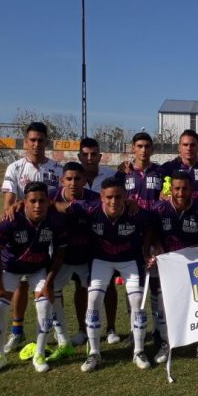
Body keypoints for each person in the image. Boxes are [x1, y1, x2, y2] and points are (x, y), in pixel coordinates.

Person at [52, 176, 155, 372]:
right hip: (102, 260)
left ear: (125, 196)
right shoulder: (89, 208)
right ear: (101, 197)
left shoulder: (136, 212)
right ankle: (94, 353)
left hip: (129, 260)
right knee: (94, 298)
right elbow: (59, 206)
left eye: (118, 197)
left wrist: (147, 247)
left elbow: (151, 223)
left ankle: (139, 351)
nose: (113, 201)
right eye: (109, 197)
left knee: (138, 300)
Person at [0, 182, 66, 375]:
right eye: (33, 201)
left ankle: (39, 353)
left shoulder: (56, 221)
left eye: (42, 201)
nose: (38, 205)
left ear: (49, 202)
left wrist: (48, 282)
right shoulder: (10, 220)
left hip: (38, 269)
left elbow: (59, 255)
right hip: (11, 270)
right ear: (25, 203)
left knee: (45, 305)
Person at [0, 122, 63, 354]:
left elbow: (61, 200)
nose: (36, 144)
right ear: (26, 142)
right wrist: (11, 209)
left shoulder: (57, 169)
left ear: (47, 142)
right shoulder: (15, 168)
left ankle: (55, 326)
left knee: (50, 281)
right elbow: (8, 200)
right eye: (32, 140)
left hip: (48, 235)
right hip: (22, 234)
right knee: (21, 282)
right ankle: (17, 331)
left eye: (41, 140)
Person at [149, 171, 198, 366]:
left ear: (191, 190)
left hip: (195, 265)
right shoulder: (159, 209)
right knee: (163, 305)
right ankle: (166, 344)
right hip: (168, 266)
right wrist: (156, 248)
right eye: (176, 188)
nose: (180, 193)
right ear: (171, 189)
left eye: (185, 188)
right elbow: (152, 235)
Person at [38, 162, 100, 360]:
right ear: (62, 180)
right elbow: (31, 205)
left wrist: (68, 206)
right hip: (60, 257)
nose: (73, 183)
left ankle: (87, 334)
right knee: (52, 292)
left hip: (87, 256)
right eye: (69, 179)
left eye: (78, 179)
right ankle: (62, 338)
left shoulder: (94, 199)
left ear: (84, 181)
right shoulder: (51, 198)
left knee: (90, 295)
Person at [124, 131, 168, 353]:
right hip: (131, 236)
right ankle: (135, 331)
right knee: (134, 287)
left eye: (147, 146)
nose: (143, 150)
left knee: (157, 287)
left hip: (157, 234)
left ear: (152, 149)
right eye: (139, 146)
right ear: (133, 147)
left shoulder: (161, 172)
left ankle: (160, 332)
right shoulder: (124, 174)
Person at [77, 137, 122, 345]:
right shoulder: (72, 175)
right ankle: (82, 329)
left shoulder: (111, 174)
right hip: (79, 239)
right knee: (82, 285)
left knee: (110, 284)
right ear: (79, 156)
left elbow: (123, 194)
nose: (89, 158)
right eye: (85, 154)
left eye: (94, 154)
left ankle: (111, 327)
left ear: (99, 156)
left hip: (105, 239)